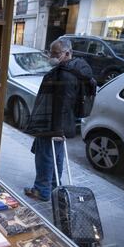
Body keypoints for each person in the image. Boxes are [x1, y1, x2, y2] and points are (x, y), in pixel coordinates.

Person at [24, 38, 93, 201]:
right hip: (60, 123)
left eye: (56, 53)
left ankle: (42, 191)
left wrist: (55, 129)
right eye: (51, 52)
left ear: (67, 53)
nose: (52, 56)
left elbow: (63, 103)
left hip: (52, 123)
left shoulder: (66, 75)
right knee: (56, 156)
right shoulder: (72, 69)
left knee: (45, 157)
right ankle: (54, 187)